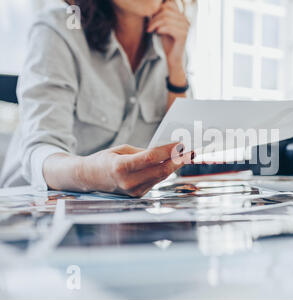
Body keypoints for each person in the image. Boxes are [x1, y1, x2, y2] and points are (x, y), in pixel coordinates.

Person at [0, 0, 195, 197]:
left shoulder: (168, 40)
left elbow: (180, 158)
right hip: (32, 206)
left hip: (114, 210)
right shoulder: (59, 28)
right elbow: (42, 153)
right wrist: (94, 174)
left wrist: (176, 66)